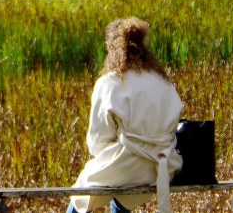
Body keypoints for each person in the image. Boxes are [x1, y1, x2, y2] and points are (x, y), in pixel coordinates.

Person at [68, 17, 183, 213]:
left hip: (129, 163)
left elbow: (98, 141)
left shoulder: (109, 83)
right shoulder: (164, 83)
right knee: (121, 200)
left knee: (79, 196)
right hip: (164, 165)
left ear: (114, 49)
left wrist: (113, 155)